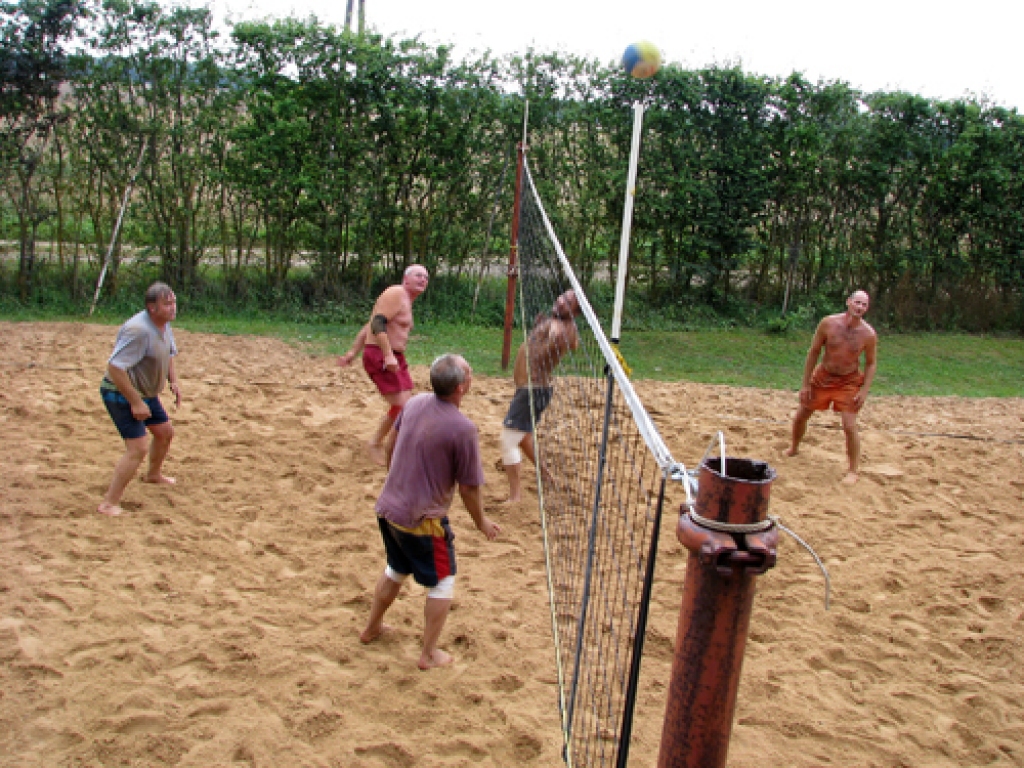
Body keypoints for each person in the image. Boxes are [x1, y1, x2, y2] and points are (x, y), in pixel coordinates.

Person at [360, 354, 501, 670]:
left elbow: (392, 443)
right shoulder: (463, 429)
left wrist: (396, 479)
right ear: (461, 387)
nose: (472, 375)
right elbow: (469, 489)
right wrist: (482, 522)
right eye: (469, 371)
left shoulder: (414, 403)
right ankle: (428, 654)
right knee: (443, 581)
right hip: (421, 520)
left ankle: (372, 628)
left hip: (388, 508)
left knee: (396, 568)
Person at [97, 282, 182, 516]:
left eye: (174, 302)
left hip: (146, 393)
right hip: (120, 393)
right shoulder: (138, 330)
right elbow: (115, 368)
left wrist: (173, 381)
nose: (173, 307)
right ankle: (108, 503)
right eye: (167, 304)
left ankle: (153, 475)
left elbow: (168, 353)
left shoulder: (164, 324)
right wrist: (135, 402)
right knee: (137, 448)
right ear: (152, 308)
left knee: (165, 433)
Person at [339, 264, 429, 465]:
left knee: (406, 406)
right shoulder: (396, 293)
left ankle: (391, 444)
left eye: (426, 277)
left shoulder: (406, 300)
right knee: (403, 406)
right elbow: (377, 323)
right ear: (406, 279)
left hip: (395, 357)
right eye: (418, 275)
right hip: (381, 355)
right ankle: (377, 443)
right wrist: (387, 355)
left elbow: (369, 324)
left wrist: (352, 352)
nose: (423, 279)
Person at [785, 289, 878, 484]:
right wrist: (805, 384)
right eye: (857, 302)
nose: (860, 307)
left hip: (849, 381)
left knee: (849, 425)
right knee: (802, 414)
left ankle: (853, 470)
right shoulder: (828, 323)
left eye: (864, 305)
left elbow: (871, 363)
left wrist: (864, 391)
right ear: (848, 302)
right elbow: (814, 351)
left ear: (867, 308)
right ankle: (794, 447)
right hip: (823, 377)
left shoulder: (868, 334)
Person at [500, 289, 581, 503]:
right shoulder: (556, 323)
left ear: (575, 312)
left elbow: (567, 340)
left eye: (568, 302)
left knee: (508, 439)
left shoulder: (562, 328)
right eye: (562, 296)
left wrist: (555, 335)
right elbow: (569, 341)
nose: (561, 301)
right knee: (523, 435)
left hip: (533, 391)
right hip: (531, 389)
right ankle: (545, 475)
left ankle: (515, 497)